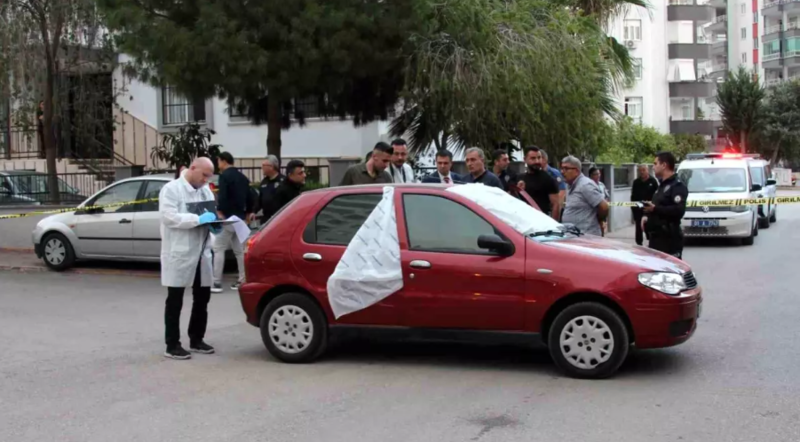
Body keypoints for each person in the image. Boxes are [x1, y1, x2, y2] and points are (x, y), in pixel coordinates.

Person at [159, 157, 217, 360]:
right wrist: (196, 219)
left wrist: (216, 223)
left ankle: (197, 339)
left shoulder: (205, 189)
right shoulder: (172, 189)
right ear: (193, 168)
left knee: (202, 298)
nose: (205, 180)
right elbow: (168, 217)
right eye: (204, 175)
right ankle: (172, 344)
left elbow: (211, 211)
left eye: (209, 177)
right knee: (175, 300)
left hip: (202, 251)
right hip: (180, 251)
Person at [211, 152, 254, 293]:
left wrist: (220, 211)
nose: (218, 165)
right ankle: (243, 279)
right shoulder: (242, 177)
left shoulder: (224, 177)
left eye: (219, 162)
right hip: (240, 218)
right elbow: (251, 195)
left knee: (218, 248)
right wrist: (249, 211)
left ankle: (216, 281)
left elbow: (223, 196)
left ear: (223, 161)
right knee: (240, 251)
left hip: (228, 218)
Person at [643, 151, 689, 259]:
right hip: (656, 239)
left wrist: (655, 209)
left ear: (664, 165)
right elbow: (658, 206)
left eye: (655, 164)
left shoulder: (677, 186)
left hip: (669, 240)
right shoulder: (662, 186)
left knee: (670, 274)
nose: (653, 167)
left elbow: (679, 210)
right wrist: (647, 217)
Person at [561, 156, 609, 236]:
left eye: (566, 169)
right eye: (562, 168)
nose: (562, 172)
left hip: (587, 236)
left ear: (576, 171)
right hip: (574, 236)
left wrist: (599, 219)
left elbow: (604, 207)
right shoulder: (569, 185)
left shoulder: (585, 185)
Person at [520, 146, 561, 220]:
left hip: (541, 222)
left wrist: (553, 225)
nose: (537, 161)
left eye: (539, 158)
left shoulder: (548, 179)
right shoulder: (520, 178)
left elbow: (556, 205)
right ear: (525, 160)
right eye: (533, 158)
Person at [630, 164, 659, 246]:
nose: (642, 172)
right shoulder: (636, 182)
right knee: (638, 228)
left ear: (647, 170)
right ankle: (639, 244)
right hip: (638, 209)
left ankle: (651, 243)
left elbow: (657, 195)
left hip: (649, 208)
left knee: (649, 227)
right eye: (640, 170)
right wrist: (634, 209)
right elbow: (633, 197)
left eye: (644, 170)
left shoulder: (653, 181)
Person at [258, 155, 285, 223]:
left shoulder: (283, 182)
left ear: (271, 166)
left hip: (280, 219)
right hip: (266, 220)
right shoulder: (264, 182)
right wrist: (253, 211)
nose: (262, 167)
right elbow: (259, 200)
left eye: (264, 165)